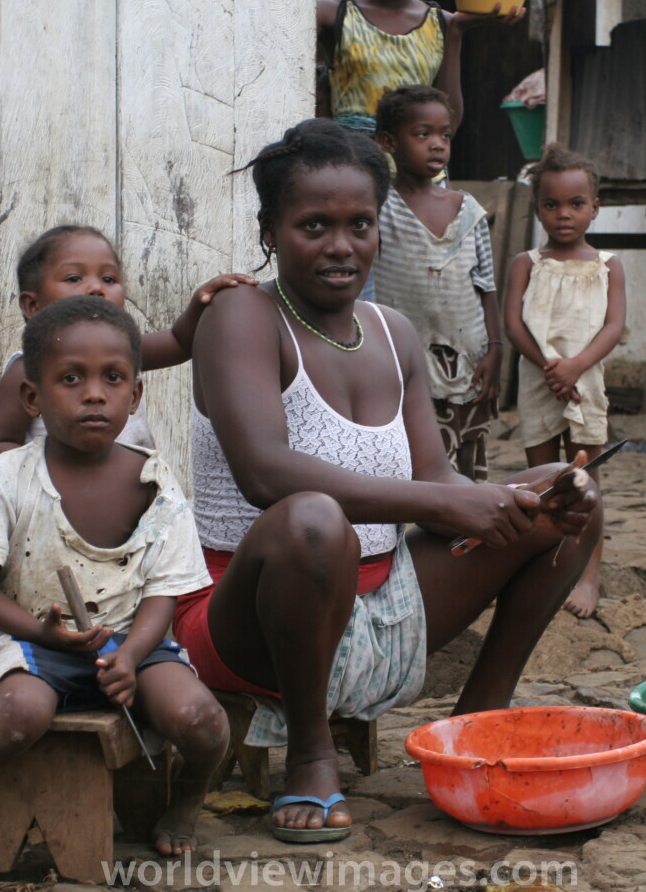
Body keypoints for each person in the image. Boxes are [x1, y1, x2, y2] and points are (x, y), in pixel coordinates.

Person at [175, 118, 600, 844]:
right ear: (270, 230)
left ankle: (476, 723)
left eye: (359, 225)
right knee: (311, 519)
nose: (341, 246)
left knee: (567, 496)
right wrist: (448, 501)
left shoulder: (392, 330)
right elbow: (263, 472)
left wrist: (507, 501)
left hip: (384, 607)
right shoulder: (242, 316)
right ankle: (310, 756)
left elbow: (432, 475)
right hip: (247, 622)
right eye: (314, 225)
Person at [0, 296, 229, 892]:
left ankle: (188, 796)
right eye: (71, 379)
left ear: (135, 396)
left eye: (112, 379)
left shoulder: (154, 480)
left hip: (134, 644)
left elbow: (164, 594)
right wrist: (39, 630)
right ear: (34, 398)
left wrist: (130, 655)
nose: (94, 394)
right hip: (40, 645)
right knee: (20, 713)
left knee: (199, 717)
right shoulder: (9, 476)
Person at [0, 225, 252, 464]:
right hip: (58, 511)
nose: (97, 288)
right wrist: (48, 477)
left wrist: (202, 304)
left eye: (108, 279)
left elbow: (178, 342)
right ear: (32, 305)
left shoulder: (123, 353)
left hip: (133, 500)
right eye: (74, 278)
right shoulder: (29, 368)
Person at [503, 144, 625, 620]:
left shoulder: (607, 265)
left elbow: (614, 326)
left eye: (576, 204)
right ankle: (544, 571)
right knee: (542, 483)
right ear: (538, 209)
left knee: (585, 480)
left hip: (585, 382)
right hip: (538, 383)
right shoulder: (526, 262)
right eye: (551, 205)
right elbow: (513, 322)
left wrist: (574, 367)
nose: (564, 214)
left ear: (595, 207)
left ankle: (589, 576)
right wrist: (548, 365)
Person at [369, 85, 501, 481]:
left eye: (444, 135)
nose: (437, 145)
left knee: (467, 461)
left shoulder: (468, 210)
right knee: (417, 463)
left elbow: (487, 288)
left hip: (469, 356)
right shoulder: (379, 208)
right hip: (408, 360)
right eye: (422, 134)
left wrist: (495, 348)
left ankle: (465, 539)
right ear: (389, 142)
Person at [316, 0, 524, 138]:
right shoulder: (333, 15)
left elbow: (448, 124)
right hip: (354, 166)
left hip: (416, 173)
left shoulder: (441, 23)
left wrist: (456, 31)